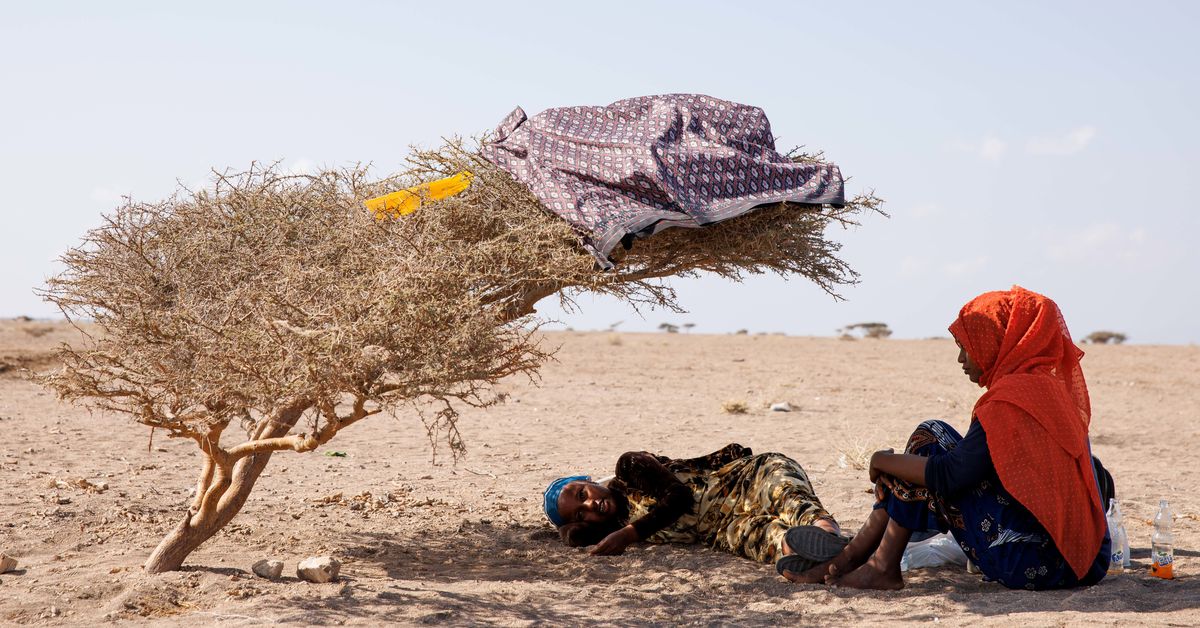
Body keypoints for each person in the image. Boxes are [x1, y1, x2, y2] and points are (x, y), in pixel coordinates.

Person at [786, 286, 1111, 590]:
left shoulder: (1010, 401)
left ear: (994, 342)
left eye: (966, 347)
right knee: (925, 451)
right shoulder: (1047, 390)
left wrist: (881, 460)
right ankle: (861, 559)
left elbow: (949, 475)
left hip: (1039, 562)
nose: (961, 359)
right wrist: (895, 466)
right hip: (1089, 560)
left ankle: (870, 562)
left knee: (929, 438)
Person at [543, 444, 846, 572]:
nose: (590, 504)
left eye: (582, 493)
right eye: (581, 513)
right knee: (772, 541)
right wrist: (568, 525)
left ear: (590, 481)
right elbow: (572, 536)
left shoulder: (629, 468)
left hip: (743, 481)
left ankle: (825, 531)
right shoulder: (611, 526)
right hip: (721, 529)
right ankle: (823, 554)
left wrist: (630, 534)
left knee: (787, 496)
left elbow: (679, 498)